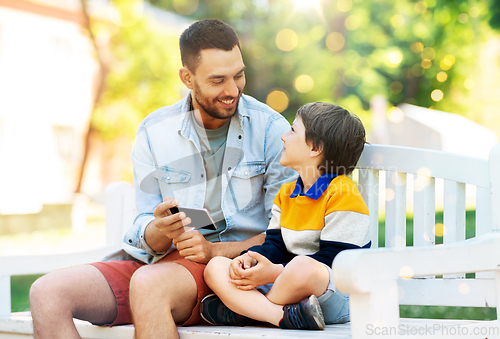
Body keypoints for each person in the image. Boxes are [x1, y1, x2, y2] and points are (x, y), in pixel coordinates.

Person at [29, 19, 296, 339]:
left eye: (238, 75)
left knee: (148, 284)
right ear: (187, 78)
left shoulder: (271, 130)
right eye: (217, 80)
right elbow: (145, 227)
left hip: (228, 277)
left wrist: (213, 251)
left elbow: (286, 236)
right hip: (156, 263)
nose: (232, 90)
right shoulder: (155, 131)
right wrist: (159, 229)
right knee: (47, 293)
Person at [201, 102, 371, 330]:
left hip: (335, 295)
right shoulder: (287, 193)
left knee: (303, 266)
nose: (283, 136)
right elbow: (274, 245)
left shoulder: (343, 192)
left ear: (314, 149)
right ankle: (280, 316)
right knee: (216, 266)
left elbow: (338, 262)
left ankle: (248, 311)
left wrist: (276, 272)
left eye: (292, 130)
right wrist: (250, 259)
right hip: (287, 289)